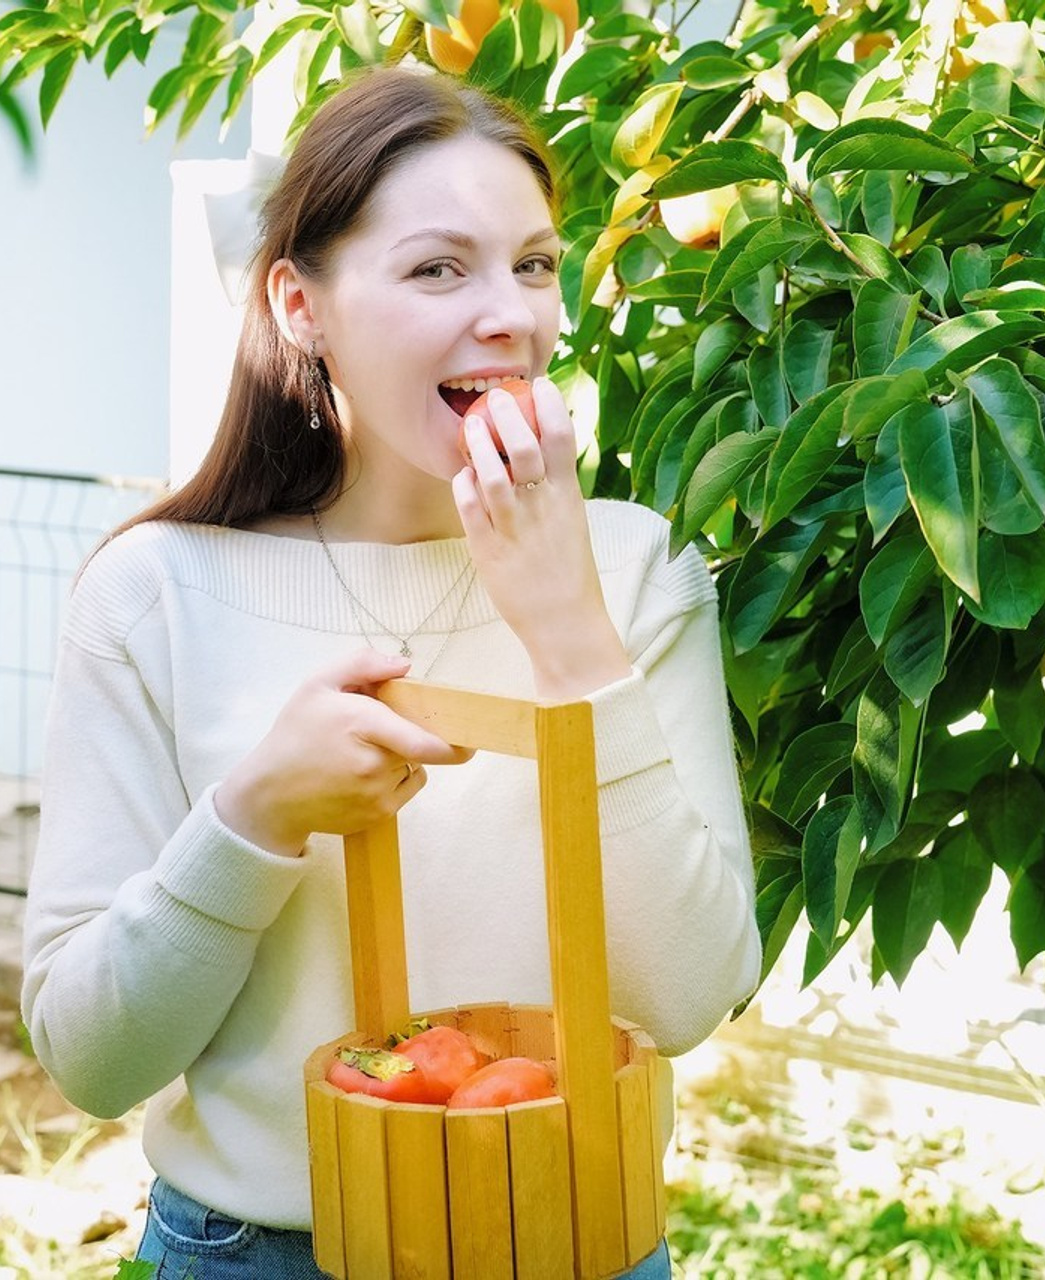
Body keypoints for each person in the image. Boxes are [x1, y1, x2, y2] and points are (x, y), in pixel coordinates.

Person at [20, 65, 761, 1279]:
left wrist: (568, 629)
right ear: (300, 304)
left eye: (531, 264)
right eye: (436, 268)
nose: (510, 314)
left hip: (573, 1240)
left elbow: (687, 995)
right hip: (254, 1250)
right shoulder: (154, 591)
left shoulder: (631, 568)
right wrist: (254, 819)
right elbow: (93, 1060)